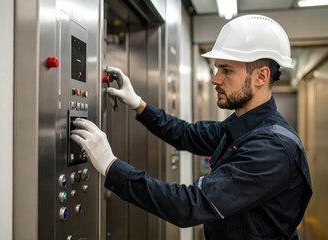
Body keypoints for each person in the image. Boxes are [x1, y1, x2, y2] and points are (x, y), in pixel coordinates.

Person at [71, 14, 312, 239]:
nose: (215, 79)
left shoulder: (271, 148)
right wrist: (139, 104)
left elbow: (190, 204)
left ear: (261, 76)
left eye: (227, 70)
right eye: (218, 68)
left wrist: (111, 166)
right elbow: (186, 134)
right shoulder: (243, 127)